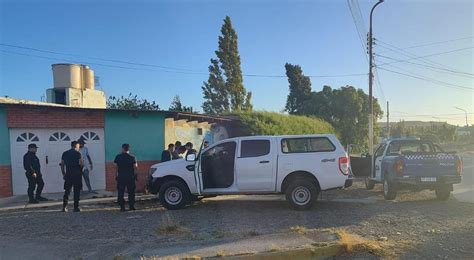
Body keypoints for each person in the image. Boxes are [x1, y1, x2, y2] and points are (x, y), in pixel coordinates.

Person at [60, 141, 84, 212]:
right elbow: (81, 163)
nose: (79, 148)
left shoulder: (65, 153)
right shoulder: (78, 153)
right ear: (76, 146)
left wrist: (64, 173)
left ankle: (64, 207)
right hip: (77, 174)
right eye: (78, 146)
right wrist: (81, 169)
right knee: (76, 191)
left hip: (68, 174)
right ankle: (76, 207)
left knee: (67, 191)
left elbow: (62, 164)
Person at [114, 144, 138, 211]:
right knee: (131, 192)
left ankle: (122, 207)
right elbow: (135, 167)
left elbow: (115, 167)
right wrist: (136, 175)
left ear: (122, 148)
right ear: (128, 149)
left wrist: (116, 175)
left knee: (121, 192)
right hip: (130, 177)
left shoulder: (118, 157)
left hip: (121, 176)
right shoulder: (132, 157)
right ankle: (131, 206)